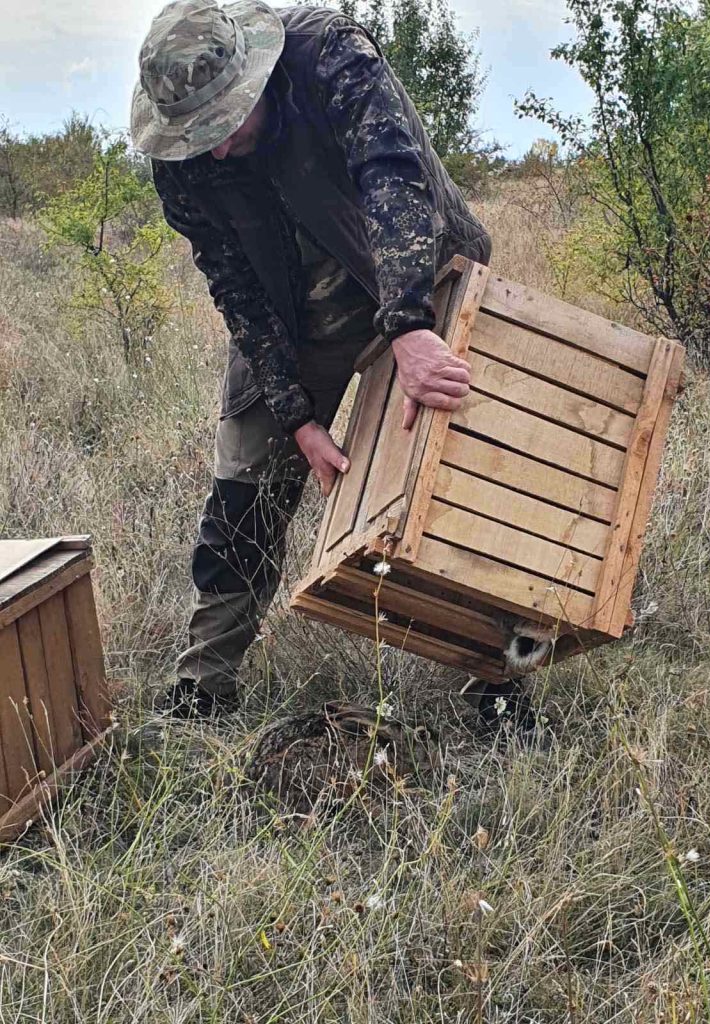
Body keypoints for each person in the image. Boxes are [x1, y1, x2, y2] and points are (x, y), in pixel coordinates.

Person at [131, 0, 533, 733]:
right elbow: (234, 285)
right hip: (291, 312)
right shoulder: (181, 162)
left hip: (410, 270)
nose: (215, 152)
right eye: (197, 137)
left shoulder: (329, 54)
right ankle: (203, 688)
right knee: (244, 485)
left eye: (224, 126)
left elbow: (392, 175)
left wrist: (409, 326)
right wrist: (297, 416)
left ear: (254, 82)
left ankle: (498, 677)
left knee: (458, 469)